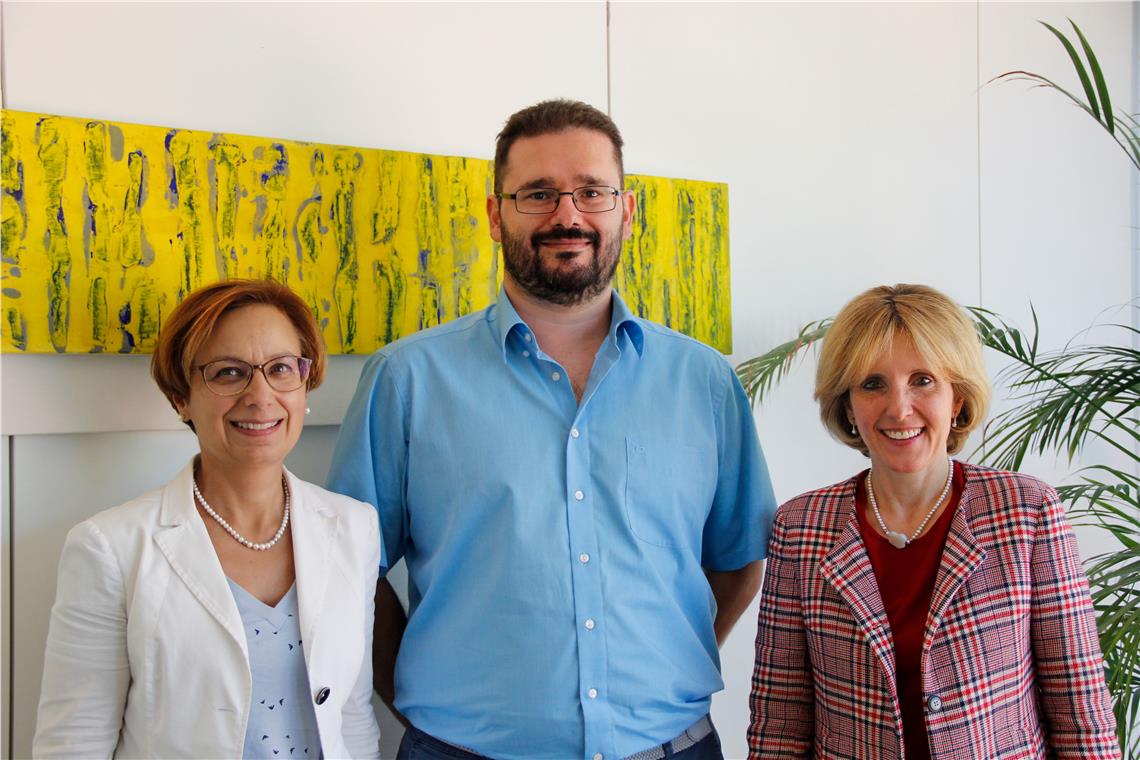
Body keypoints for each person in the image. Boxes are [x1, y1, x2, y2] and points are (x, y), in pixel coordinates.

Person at [328, 99, 777, 760]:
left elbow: (737, 562)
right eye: (537, 194)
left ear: (626, 211)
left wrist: (660, 667)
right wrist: (431, 705)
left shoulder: (704, 381)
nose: (568, 215)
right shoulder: (407, 380)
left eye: (592, 192)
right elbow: (344, 569)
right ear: (495, 215)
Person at [747, 283, 1118, 759]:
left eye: (922, 380)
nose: (900, 408)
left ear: (957, 398)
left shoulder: (1027, 513)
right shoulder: (800, 528)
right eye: (873, 384)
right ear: (848, 406)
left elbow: (1080, 712)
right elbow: (779, 721)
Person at [34, 280, 382, 759]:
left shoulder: (354, 528)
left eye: (281, 368)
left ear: (305, 384)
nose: (260, 395)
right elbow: (74, 743)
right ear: (181, 398)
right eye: (229, 372)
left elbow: (352, 716)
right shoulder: (110, 548)